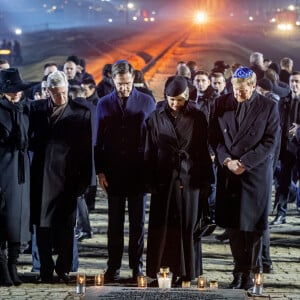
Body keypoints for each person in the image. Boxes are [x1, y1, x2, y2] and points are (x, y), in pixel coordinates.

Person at [210, 66, 280, 290]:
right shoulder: (221, 103)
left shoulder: (268, 106)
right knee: (233, 226)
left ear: (253, 86)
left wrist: (245, 163)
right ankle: (238, 271)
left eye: (242, 90)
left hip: (255, 173)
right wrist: (227, 161)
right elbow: (214, 138)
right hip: (229, 171)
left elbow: (270, 141)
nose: (237, 94)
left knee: (253, 227)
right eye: (234, 89)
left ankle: (250, 272)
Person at [145, 76, 214, 286]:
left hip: (189, 177)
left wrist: (204, 181)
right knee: (162, 225)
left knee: (186, 226)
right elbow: (149, 149)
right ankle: (161, 270)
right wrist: (149, 180)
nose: (175, 104)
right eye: (171, 99)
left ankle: (186, 271)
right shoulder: (155, 116)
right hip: (163, 179)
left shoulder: (198, 116)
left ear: (187, 96)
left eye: (179, 100)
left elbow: (202, 150)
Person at [29, 70, 94, 283]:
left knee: (66, 226)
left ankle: (63, 268)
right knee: (43, 227)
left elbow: (86, 151)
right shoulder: (36, 110)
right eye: (57, 94)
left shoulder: (80, 112)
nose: (62, 98)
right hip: (42, 178)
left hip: (68, 178)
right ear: (48, 92)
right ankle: (45, 269)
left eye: (64, 93)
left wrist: (85, 182)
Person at [94, 60, 155, 282]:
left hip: (138, 172)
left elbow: (153, 139)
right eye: (120, 84)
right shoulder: (103, 103)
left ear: (133, 79)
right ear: (113, 80)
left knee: (138, 224)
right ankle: (113, 266)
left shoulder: (147, 102)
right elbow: (97, 140)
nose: (124, 88)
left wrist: (151, 171)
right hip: (114, 172)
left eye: (128, 83)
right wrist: (100, 171)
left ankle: (137, 266)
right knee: (114, 223)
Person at [0, 68, 33, 286]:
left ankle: (13, 265)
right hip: (3, 169)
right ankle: (3, 267)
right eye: (11, 91)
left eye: (18, 91)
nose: (15, 94)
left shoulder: (24, 109)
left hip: (21, 172)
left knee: (18, 220)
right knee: (2, 219)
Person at [270, 71, 300, 225]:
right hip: (286, 149)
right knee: (283, 182)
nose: (294, 85)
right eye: (292, 81)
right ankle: (281, 214)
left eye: (297, 81)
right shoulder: (283, 101)